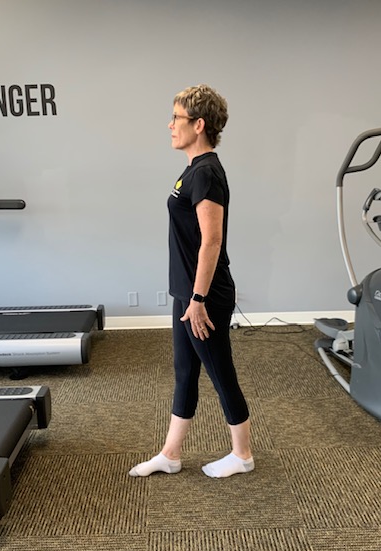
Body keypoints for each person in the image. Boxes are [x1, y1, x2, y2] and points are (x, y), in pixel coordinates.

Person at [129, 84, 253, 479]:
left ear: (198, 125)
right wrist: (188, 295)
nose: (170, 125)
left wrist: (198, 299)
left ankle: (243, 454)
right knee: (185, 372)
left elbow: (212, 241)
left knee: (220, 372)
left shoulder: (207, 173)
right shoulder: (193, 170)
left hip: (205, 296)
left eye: (176, 118)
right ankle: (170, 454)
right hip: (187, 292)